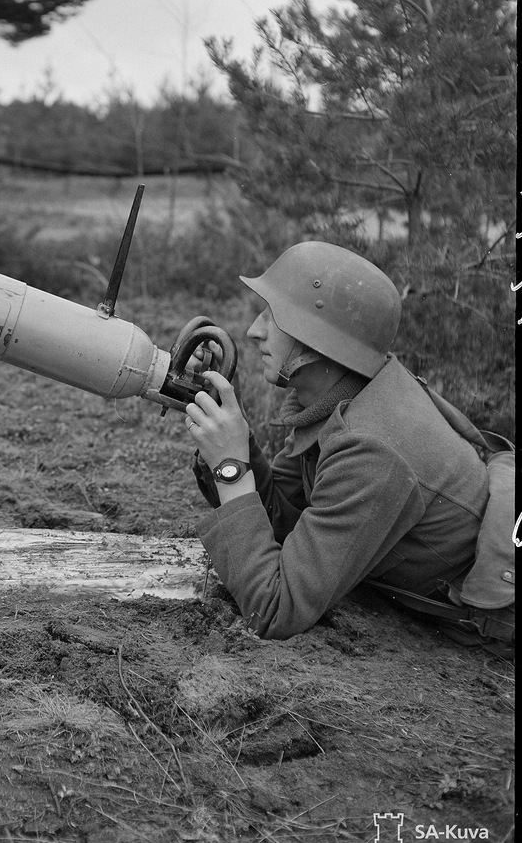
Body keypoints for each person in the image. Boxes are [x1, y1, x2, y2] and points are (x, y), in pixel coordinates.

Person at [184, 240, 487, 640]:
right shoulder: (339, 395)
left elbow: (274, 608)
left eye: (273, 316)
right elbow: (284, 514)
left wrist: (231, 467)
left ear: (317, 340)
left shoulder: (370, 450)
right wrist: (227, 421)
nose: (254, 331)